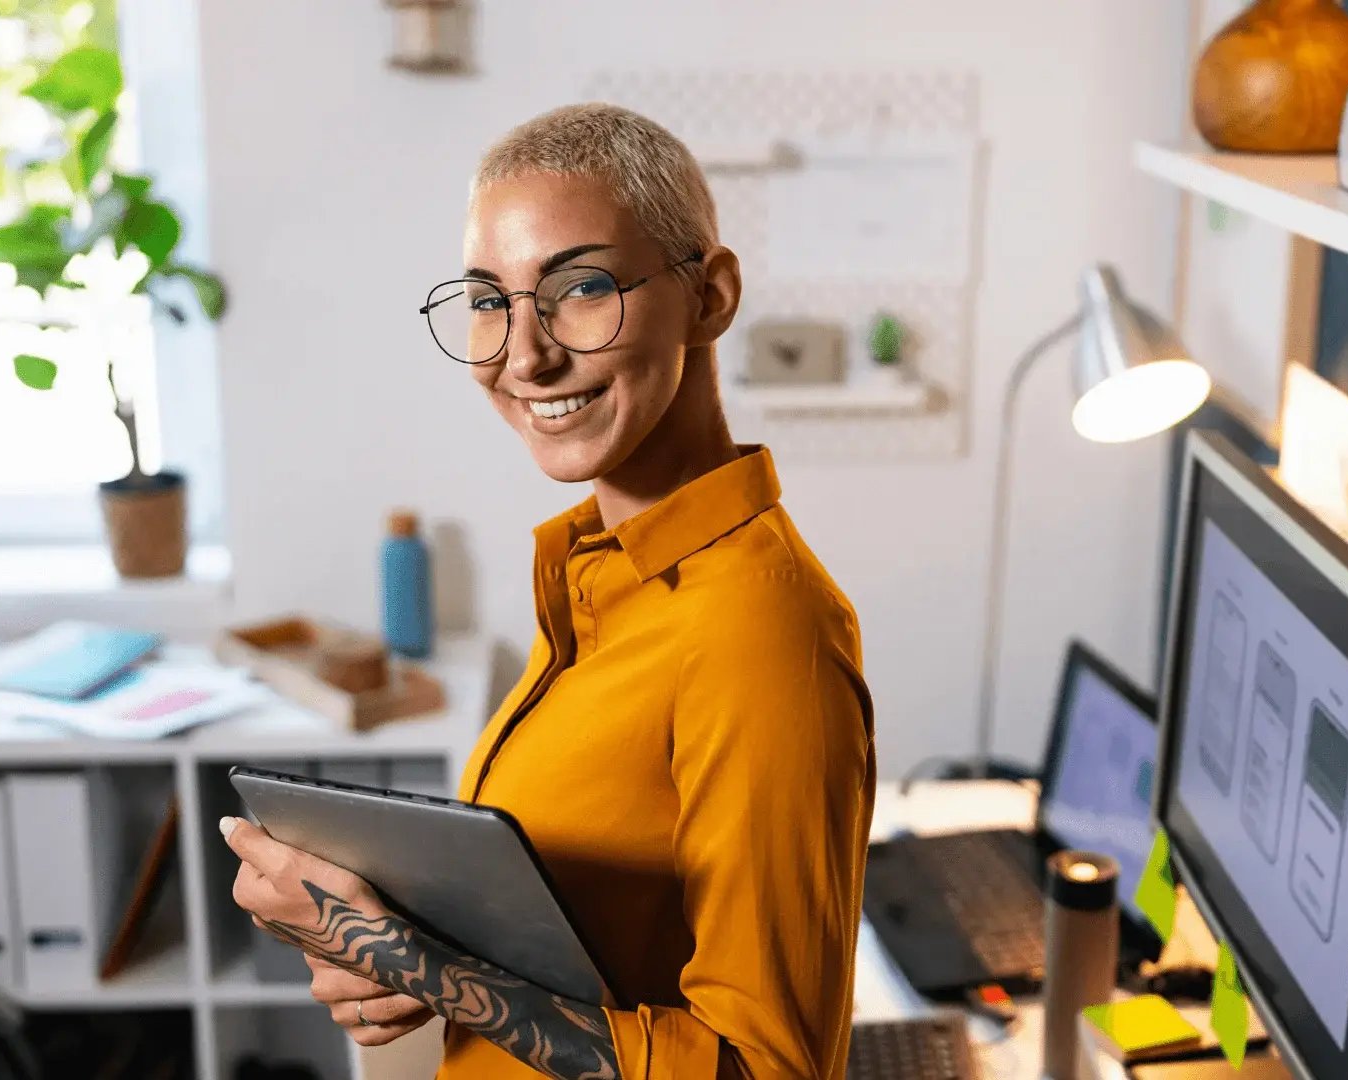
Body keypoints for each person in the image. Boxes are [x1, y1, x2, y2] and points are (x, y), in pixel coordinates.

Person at [224, 103, 876, 1080]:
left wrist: (424, 966)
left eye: (583, 288)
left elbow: (765, 1070)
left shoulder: (756, 629)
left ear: (711, 298)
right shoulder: (598, 569)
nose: (524, 357)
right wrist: (376, 946)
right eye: (490, 300)